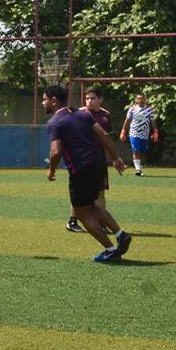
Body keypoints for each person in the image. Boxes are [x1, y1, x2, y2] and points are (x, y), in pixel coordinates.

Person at [43, 84, 131, 263]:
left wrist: (51, 170)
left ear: (53, 101)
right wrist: (116, 158)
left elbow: (56, 152)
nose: (43, 103)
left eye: (44, 99)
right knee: (91, 206)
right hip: (98, 164)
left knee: (81, 213)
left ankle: (110, 249)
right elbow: (104, 136)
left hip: (81, 169)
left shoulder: (54, 122)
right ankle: (121, 234)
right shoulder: (83, 114)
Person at [66, 86, 113, 233]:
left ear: (101, 99)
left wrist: (107, 160)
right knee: (80, 192)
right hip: (82, 161)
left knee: (100, 192)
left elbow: (107, 139)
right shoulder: (79, 114)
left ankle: (101, 223)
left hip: (98, 161)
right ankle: (72, 221)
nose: (89, 101)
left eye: (92, 98)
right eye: (87, 98)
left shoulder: (106, 116)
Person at [120, 93, 159, 176]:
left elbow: (152, 121)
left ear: (145, 99)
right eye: (138, 98)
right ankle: (138, 170)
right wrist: (123, 131)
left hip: (145, 134)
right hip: (134, 133)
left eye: (141, 98)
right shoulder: (132, 109)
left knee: (143, 152)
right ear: (136, 99)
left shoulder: (149, 109)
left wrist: (155, 131)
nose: (139, 100)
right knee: (136, 151)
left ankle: (140, 169)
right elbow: (127, 120)